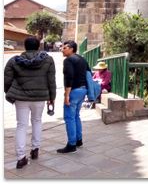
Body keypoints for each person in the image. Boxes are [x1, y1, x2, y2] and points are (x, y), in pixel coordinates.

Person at [4, 36, 56, 169]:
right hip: (40, 97)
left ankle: (21, 157)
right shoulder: (48, 60)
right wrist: (52, 96)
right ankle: (35, 149)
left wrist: (10, 92)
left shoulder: (14, 61)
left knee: (21, 125)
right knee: (37, 121)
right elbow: (51, 80)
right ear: (38, 46)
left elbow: (7, 80)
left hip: (21, 98)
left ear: (25, 46)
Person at [56, 40, 88, 154]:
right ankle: (78, 140)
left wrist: (67, 95)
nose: (62, 50)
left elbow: (69, 78)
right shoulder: (82, 59)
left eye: (65, 48)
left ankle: (71, 144)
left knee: (69, 117)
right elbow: (88, 73)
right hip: (83, 90)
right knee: (76, 116)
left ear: (71, 49)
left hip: (74, 91)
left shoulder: (68, 60)